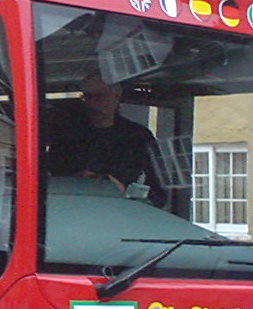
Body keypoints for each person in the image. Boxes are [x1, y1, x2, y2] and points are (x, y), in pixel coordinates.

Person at [45, 71, 168, 207]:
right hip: (73, 205)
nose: (92, 103)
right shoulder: (66, 136)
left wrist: (116, 184)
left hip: (123, 210)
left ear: (116, 95)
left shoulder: (138, 136)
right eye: (88, 97)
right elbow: (53, 174)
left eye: (99, 96)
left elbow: (157, 191)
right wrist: (79, 177)